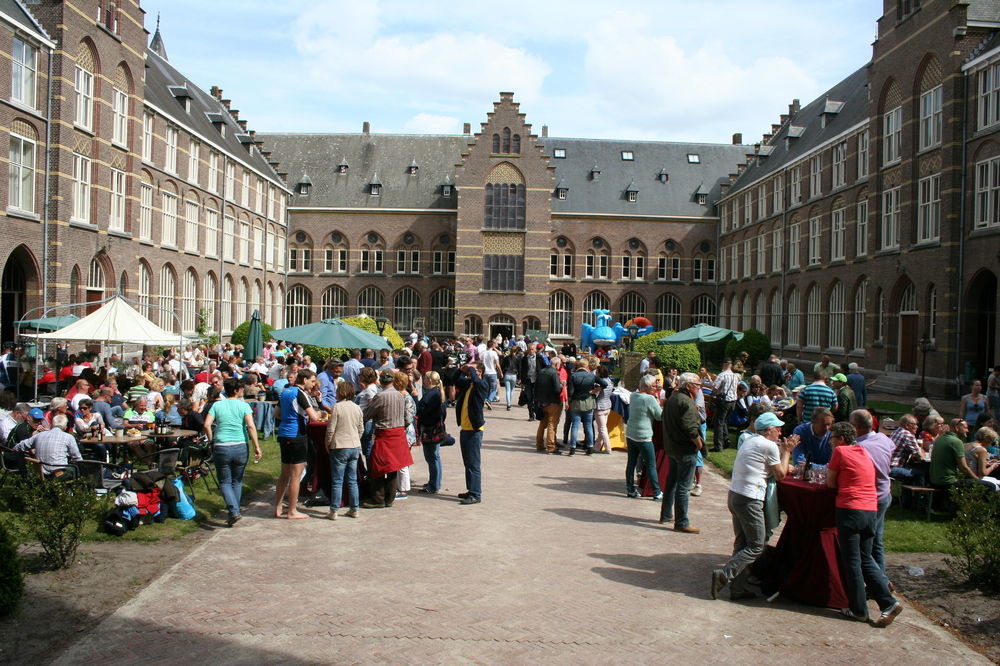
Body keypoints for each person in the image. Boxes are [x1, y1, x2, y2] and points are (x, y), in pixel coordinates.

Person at [711, 412, 797, 601]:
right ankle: (724, 574)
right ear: (768, 430)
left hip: (735, 495)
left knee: (742, 543)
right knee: (757, 545)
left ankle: (738, 588)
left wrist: (782, 454)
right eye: (777, 428)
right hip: (750, 498)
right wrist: (787, 451)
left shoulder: (750, 440)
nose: (780, 431)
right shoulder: (768, 446)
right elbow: (781, 474)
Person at [826, 422, 902, 627]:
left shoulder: (841, 451)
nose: (831, 442)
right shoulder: (864, 451)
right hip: (870, 509)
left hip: (850, 509)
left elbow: (830, 482)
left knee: (852, 561)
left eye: (832, 438)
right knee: (866, 558)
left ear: (840, 439)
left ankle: (859, 609)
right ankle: (888, 602)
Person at [204, 378, 260, 526]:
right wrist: (257, 446)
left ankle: (233, 511)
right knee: (237, 480)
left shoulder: (217, 405)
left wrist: (211, 440)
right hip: (240, 445)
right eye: (241, 388)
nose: (242, 390)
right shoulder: (243, 406)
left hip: (221, 445)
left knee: (225, 481)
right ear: (236, 390)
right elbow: (251, 426)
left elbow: (207, 424)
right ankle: (235, 510)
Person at [660, 372, 705, 533]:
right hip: (684, 449)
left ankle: (666, 514)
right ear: (688, 386)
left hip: (672, 447)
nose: (699, 388)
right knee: (684, 487)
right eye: (697, 385)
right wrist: (699, 444)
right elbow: (690, 428)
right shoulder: (686, 401)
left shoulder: (673, 399)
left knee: (672, 483)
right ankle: (681, 521)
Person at [362, 370, 413, 509]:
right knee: (393, 467)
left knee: (377, 467)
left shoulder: (380, 396)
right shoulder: (400, 395)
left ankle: (378, 499)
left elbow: (366, 415)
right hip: (398, 433)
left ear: (381, 381)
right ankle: (389, 498)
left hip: (385, 433)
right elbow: (406, 416)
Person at [852, 409, 894, 576]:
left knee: (867, 544)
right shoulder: (883, 438)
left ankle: (877, 581)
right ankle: (880, 578)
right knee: (877, 539)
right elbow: (892, 449)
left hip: (872, 497)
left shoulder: (860, 447)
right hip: (885, 492)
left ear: (858, 427)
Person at [275, 369, 322, 519]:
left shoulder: (286, 392)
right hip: (297, 435)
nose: (313, 384)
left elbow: (276, 414)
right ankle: (292, 510)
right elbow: (314, 417)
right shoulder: (302, 394)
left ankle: (278, 508)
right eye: (312, 381)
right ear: (305, 379)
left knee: (284, 474)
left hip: (283, 434)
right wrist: (320, 413)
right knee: (296, 475)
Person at [324, 381, 363, 520]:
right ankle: (354, 509)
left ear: (340, 392)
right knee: (352, 480)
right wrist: (356, 439)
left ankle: (334, 510)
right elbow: (361, 428)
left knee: (337, 480)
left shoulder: (337, 407)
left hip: (339, 446)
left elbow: (331, 429)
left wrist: (327, 444)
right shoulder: (357, 408)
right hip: (354, 446)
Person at [455, 362, 489, 504]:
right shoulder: (469, 383)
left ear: (480, 371)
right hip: (465, 428)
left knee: (474, 463)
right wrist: (461, 370)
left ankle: (476, 494)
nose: (470, 372)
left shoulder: (482, 384)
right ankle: (471, 489)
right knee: (467, 462)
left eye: (474, 370)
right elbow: (455, 380)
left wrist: (471, 369)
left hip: (475, 430)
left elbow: (476, 379)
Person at [625, 374, 663, 499]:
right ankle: (657, 492)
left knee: (631, 463)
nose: (655, 388)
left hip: (631, 433)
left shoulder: (633, 395)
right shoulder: (649, 399)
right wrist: (658, 400)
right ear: (646, 386)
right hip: (644, 436)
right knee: (651, 464)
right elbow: (659, 416)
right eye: (653, 386)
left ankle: (630, 490)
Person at [928, 418, 979, 510]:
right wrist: (977, 480)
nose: (967, 430)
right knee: (987, 486)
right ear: (956, 428)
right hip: (948, 482)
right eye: (965, 428)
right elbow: (964, 467)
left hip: (934, 479)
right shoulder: (956, 442)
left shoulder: (940, 438)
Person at [14, 414, 82, 476]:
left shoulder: (39, 435)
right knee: (77, 469)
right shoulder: (68, 437)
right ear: (65, 426)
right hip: (59, 473)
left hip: (41, 473)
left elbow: (19, 447)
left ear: (52, 424)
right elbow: (77, 458)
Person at [567, 359, 607, 456]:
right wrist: (595, 390)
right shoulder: (591, 376)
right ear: (586, 366)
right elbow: (605, 384)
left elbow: (571, 392)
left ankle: (572, 448)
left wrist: (569, 400)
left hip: (576, 403)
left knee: (575, 426)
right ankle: (590, 447)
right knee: (588, 425)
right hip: (589, 402)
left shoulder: (573, 376)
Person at [416, 371, 446, 494]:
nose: (423, 379)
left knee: (432, 457)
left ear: (429, 380)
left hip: (430, 429)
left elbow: (420, 409)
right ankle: (434, 482)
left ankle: (434, 484)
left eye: (425, 378)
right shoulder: (437, 393)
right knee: (435, 457)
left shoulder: (432, 394)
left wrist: (414, 396)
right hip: (435, 428)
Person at [534, 356, 564, 453]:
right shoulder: (554, 373)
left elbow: (536, 386)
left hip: (542, 402)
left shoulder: (542, 371)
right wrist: (562, 385)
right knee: (552, 424)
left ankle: (539, 445)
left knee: (542, 424)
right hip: (553, 402)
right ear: (556, 364)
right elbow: (556, 389)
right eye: (559, 364)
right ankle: (551, 447)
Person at [889, 414, 926, 487]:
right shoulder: (908, 435)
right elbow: (919, 457)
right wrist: (922, 449)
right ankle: (920, 497)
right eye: (915, 424)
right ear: (907, 425)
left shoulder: (896, 432)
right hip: (894, 469)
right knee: (921, 473)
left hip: (886, 466)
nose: (917, 427)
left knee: (911, 471)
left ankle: (907, 497)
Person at [712, 359, 740, 451]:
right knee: (724, 422)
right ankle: (726, 440)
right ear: (731, 365)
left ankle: (718, 446)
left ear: (724, 364)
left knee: (719, 423)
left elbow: (715, 388)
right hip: (733, 402)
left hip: (724, 401)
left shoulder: (722, 375)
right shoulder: (735, 376)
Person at [518, 344, 541, 421]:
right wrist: (521, 380)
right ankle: (531, 415)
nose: (531, 351)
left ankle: (536, 412)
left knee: (537, 398)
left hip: (537, 380)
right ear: (527, 350)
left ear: (535, 350)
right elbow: (521, 370)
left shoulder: (539, 357)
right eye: (529, 349)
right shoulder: (524, 358)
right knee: (529, 398)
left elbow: (545, 367)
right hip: (528, 380)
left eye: (532, 349)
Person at [593, 366, 614, 454]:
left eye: (597, 372)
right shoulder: (609, 381)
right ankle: (597, 447)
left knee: (602, 429)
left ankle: (608, 448)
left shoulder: (600, 383)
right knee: (603, 428)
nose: (595, 373)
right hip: (607, 406)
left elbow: (596, 393)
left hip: (600, 407)